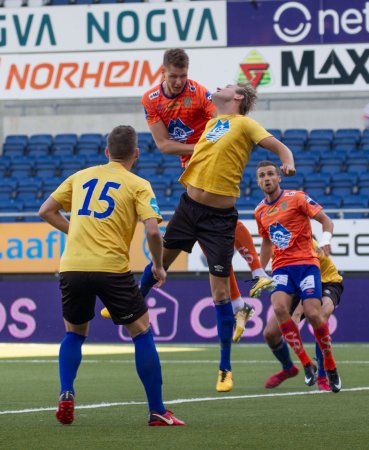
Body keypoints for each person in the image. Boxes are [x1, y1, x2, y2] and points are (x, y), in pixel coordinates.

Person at [102, 48, 275, 341]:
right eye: (174, 76)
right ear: (163, 72)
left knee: (219, 224)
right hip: (194, 162)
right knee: (213, 250)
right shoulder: (151, 99)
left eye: (183, 75)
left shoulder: (200, 94)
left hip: (212, 165)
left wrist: (216, 147)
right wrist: (204, 148)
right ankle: (239, 303)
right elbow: (164, 145)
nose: (179, 81)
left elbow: (225, 122)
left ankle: (255, 276)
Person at [141, 82, 295, 392]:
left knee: (221, 294)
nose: (219, 87)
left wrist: (287, 160)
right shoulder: (214, 122)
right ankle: (132, 301)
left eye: (227, 86)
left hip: (219, 219)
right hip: (189, 207)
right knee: (161, 261)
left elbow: (278, 146)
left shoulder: (245, 123)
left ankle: (225, 368)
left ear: (237, 97)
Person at [38, 125, 184, 427]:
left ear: (107, 152)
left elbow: (46, 210)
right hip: (110, 268)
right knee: (142, 331)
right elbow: (154, 230)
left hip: (73, 266)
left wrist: (76, 232)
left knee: (74, 333)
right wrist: (158, 266)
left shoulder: (80, 177)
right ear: (136, 154)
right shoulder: (138, 184)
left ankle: (66, 391)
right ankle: (157, 410)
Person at [253, 160, 341, 393]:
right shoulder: (260, 211)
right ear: (257, 181)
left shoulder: (297, 198)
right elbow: (265, 242)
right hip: (282, 268)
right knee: (277, 317)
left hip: (313, 269)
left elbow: (326, 220)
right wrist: (259, 272)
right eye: (262, 176)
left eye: (271, 174)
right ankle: (304, 364)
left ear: (279, 177)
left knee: (314, 313)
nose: (267, 178)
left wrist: (325, 240)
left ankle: (328, 368)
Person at [258, 238, 344, 391]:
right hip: (299, 285)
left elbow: (310, 286)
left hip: (327, 282)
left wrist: (297, 314)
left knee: (319, 316)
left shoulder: (310, 247)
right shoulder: (277, 248)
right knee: (270, 333)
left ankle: (324, 375)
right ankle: (288, 368)